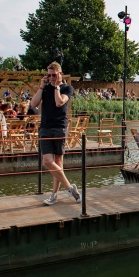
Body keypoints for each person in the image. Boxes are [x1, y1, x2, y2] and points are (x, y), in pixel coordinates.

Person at [29, 61, 81, 205]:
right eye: (49, 75)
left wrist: (57, 86)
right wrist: (41, 86)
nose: (51, 77)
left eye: (53, 75)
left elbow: (59, 103)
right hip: (45, 128)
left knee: (58, 162)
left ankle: (54, 195)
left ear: (60, 74)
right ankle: (70, 188)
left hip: (59, 127)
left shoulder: (67, 88)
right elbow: (32, 105)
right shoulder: (44, 88)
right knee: (47, 161)